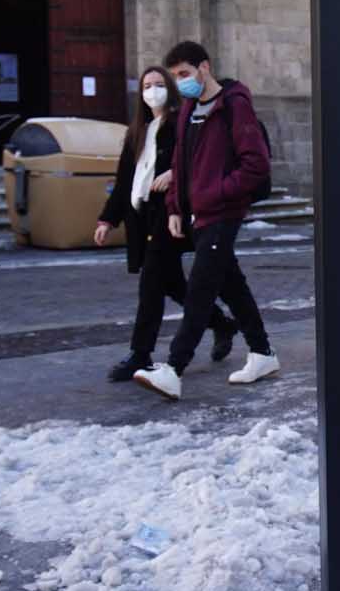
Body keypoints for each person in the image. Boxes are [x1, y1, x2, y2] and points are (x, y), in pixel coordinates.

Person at [132, 40, 279, 400]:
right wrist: (175, 208)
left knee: (200, 288)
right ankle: (262, 353)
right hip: (198, 215)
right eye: (176, 76)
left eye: (184, 74)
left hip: (222, 212)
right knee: (232, 284)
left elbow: (256, 165)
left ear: (204, 68)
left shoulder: (233, 105)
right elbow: (180, 164)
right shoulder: (186, 111)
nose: (180, 82)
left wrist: (216, 192)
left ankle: (173, 368)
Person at [95, 67, 237, 383]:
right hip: (141, 215)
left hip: (168, 215)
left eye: (159, 84)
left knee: (151, 287)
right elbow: (124, 182)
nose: (153, 91)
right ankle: (221, 323)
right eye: (147, 85)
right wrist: (108, 218)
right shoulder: (137, 132)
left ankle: (139, 353)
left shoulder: (179, 124)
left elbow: (195, 160)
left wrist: (173, 175)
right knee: (172, 284)